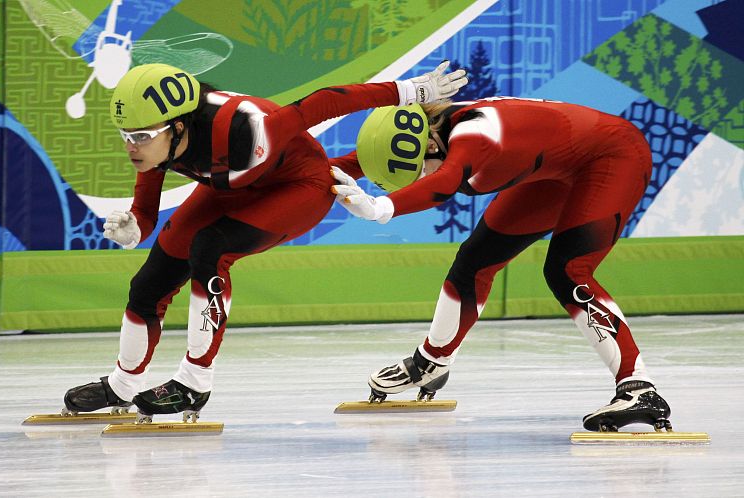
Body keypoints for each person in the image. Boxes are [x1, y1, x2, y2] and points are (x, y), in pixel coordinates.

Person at [62, 62, 467, 422]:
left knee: (210, 247)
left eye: (142, 136)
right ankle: (123, 382)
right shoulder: (158, 144)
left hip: (299, 186)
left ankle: (194, 381)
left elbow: (322, 103)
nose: (132, 146)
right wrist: (134, 227)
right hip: (235, 185)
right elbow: (146, 212)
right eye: (125, 135)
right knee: (149, 282)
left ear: (179, 125)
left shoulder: (244, 129)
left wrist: (411, 91)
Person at [331, 97, 672, 432]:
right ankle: (431, 362)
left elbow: (445, 181)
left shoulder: (475, 135)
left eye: (417, 169)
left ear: (433, 144)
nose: (418, 178)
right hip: (556, 167)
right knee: (475, 261)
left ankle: (639, 388)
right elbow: (344, 166)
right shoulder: (424, 138)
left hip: (613, 156)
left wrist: (381, 208)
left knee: (568, 271)